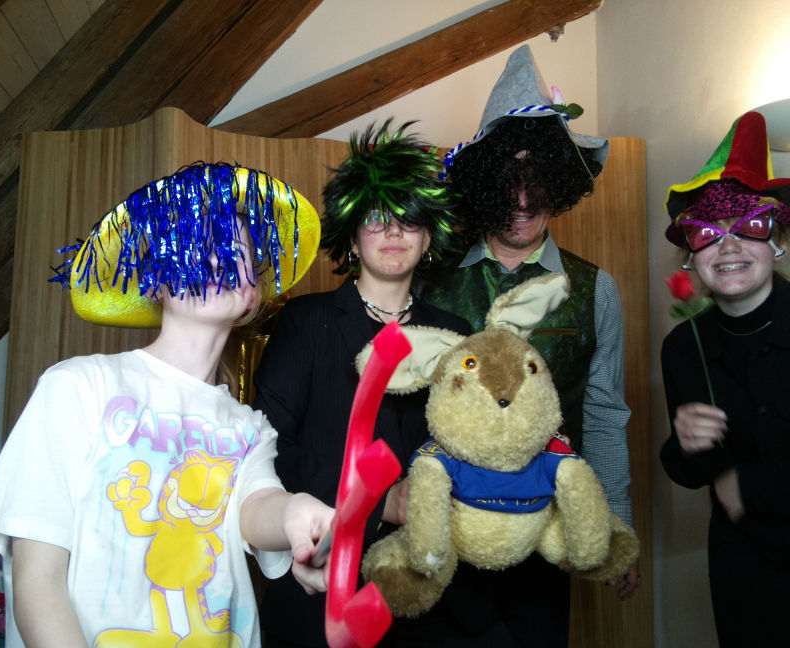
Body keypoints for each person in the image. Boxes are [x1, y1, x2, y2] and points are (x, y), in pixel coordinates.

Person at [0, 162, 334, 648]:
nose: (216, 257)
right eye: (194, 245)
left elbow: (257, 507)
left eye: (234, 249)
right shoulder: (77, 387)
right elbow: (38, 579)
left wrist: (295, 513)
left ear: (253, 293)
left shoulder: (249, 427)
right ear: (156, 280)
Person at [420, 45, 638, 646]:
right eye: (507, 182)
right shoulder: (432, 281)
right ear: (485, 185)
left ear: (559, 185)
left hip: (544, 533)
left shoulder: (594, 289)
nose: (521, 201)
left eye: (538, 182)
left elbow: (604, 413)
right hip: (448, 536)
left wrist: (614, 523)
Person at [252, 121, 471, 647]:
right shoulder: (306, 322)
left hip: (430, 596)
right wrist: (380, 504)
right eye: (376, 218)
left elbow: (470, 449)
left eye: (409, 219)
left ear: (428, 237)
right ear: (352, 237)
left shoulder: (456, 335)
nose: (394, 231)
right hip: (321, 591)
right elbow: (269, 452)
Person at [660, 111, 790, 646]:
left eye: (749, 227)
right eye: (709, 234)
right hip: (744, 570)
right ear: (691, 258)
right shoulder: (683, 347)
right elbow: (690, 470)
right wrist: (686, 445)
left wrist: (747, 486)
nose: (729, 246)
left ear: (777, 241)